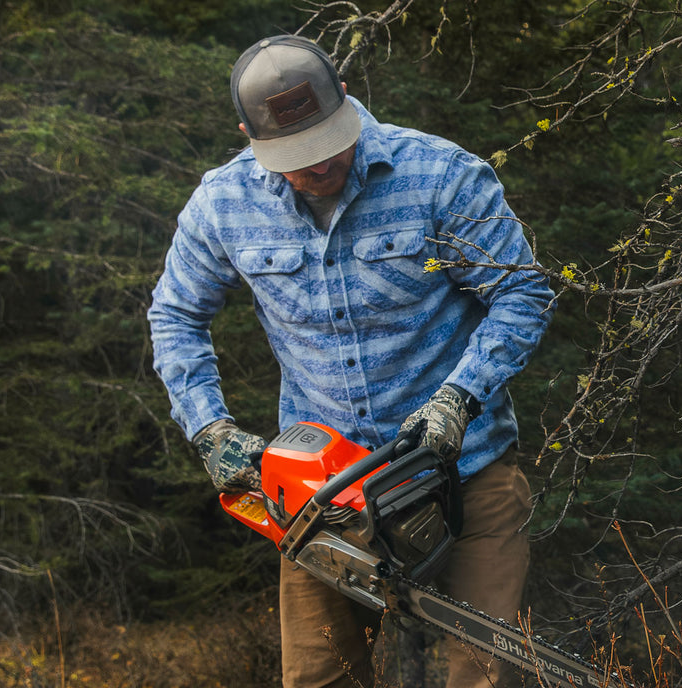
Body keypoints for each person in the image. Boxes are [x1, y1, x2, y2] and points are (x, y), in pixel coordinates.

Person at [148, 34, 554, 688]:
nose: (319, 166)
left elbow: (523, 291)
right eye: (297, 156)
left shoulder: (441, 176)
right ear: (250, 135)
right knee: (319, 678)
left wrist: (459, 398)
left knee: (485, 676)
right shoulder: (223, 205)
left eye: (329, 142)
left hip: (464, 477)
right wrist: (209, 429)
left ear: (344, 100)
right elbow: (175, 315)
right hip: (323, 496)